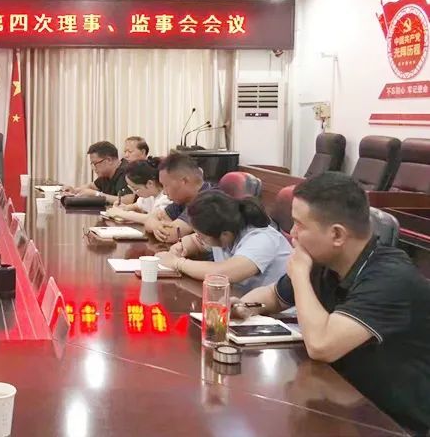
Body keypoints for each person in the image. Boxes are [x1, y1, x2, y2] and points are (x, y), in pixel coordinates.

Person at [236, 173, 430, 435]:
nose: (292, 234)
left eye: (299, 225)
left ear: (337, 234)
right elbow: (273, 296)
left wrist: (300, 274)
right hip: (340, 403)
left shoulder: (390, 278)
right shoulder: (324, 262)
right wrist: (240, 306)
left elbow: (321, 345)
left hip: (394, 423)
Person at [156, 190, 291, 291]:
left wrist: (178, 263)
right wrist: (181, 246)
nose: (199, 238)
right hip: (240, 302)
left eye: (202, 235)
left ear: (225, 235)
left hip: (278, 315)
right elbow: (195, 241)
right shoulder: (225, 226)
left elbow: (224, 273)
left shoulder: (261, 239)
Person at [144, 152, 214, 243]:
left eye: (166, 185)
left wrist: (156, 225)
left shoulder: (207, 200)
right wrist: (155, 225)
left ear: (184, 181)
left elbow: (171, 235)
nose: (164, 192)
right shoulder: (183, 200)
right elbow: (151, 219)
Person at [103, 158, 171, 223]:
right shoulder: (149, 195)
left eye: (136, 189)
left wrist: (121, 214)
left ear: (150, 183)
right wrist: (124, 207)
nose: (135, 193)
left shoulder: (167, 197)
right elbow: (137, 205)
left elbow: (153, 218)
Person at [63, 141, 132, 205]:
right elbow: (91, 186)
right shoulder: (106, 174)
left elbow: (128, 200)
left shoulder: (128, 172)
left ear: (109, 160)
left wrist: (96, 194)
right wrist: (74, 190)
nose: (93, 168)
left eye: (95, 163)